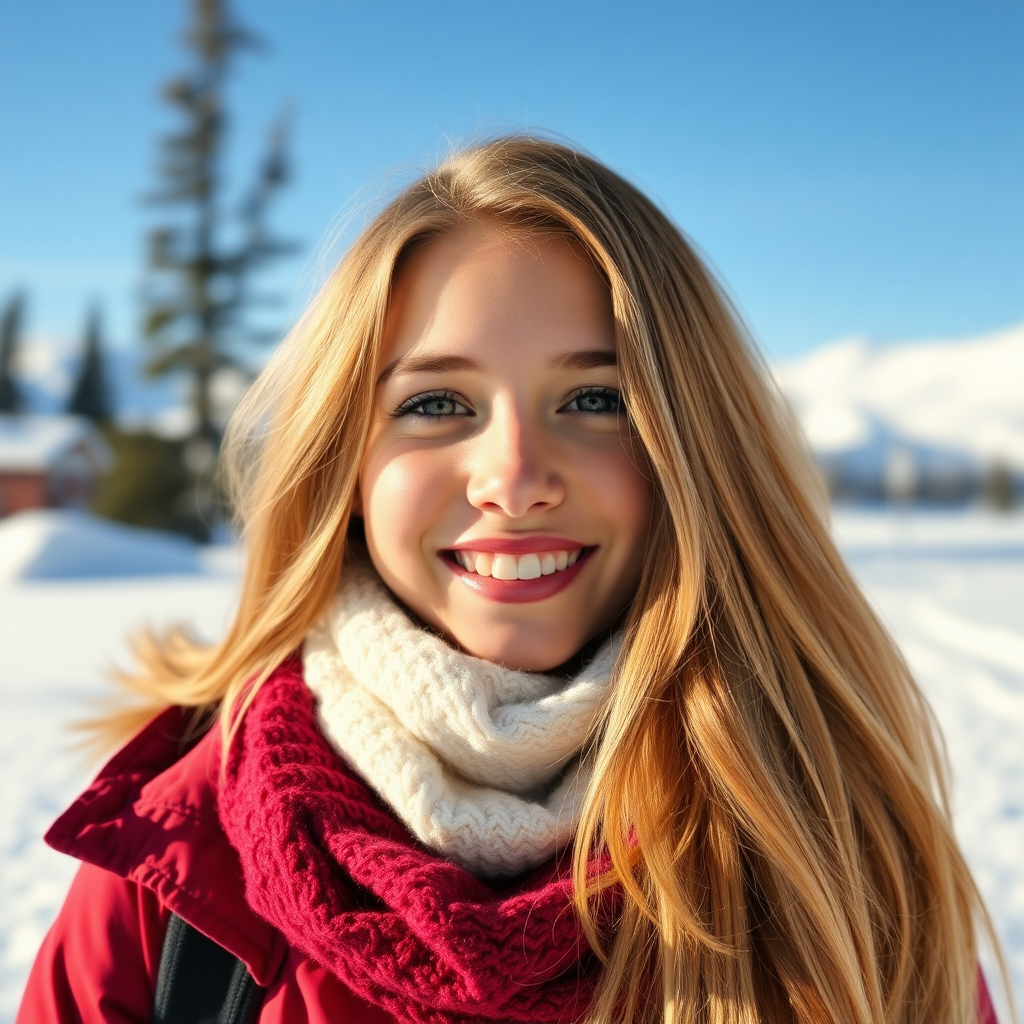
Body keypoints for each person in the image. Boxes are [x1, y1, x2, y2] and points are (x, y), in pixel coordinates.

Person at [18, 136, 1001, 1024]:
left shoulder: (837, 868)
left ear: (693, 452)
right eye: (438, 401)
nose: (517, 478)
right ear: (344, 468)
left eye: (594, 398)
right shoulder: (181, 869)